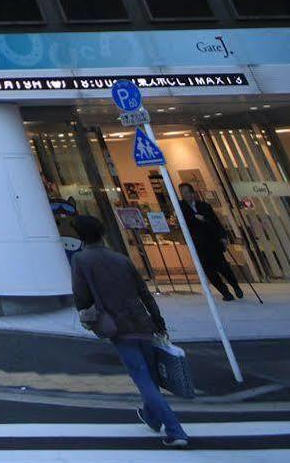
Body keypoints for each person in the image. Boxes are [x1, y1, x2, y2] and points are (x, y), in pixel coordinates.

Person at [71, 214, 190, 448]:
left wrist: (87, 312)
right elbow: (145, 293)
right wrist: (158, 322)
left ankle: (175, 429)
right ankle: (152, 418)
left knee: (142, 378)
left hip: (118, 326)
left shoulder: (81, 260)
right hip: (143, 323)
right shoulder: (121, 258)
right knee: (150, 376)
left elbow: (81, 296)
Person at [177, 182, 245, 301]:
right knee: (209, 270)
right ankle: (225, 292)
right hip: (198, 244)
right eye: (182, 193)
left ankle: (235, 286)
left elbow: (216, 222)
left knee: (223, 266)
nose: (185, 195)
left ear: (193, 193)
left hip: (212, 241)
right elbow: (185, 222)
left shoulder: (204, 206)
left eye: (187, 192)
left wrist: (222, 236)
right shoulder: (180, 207)